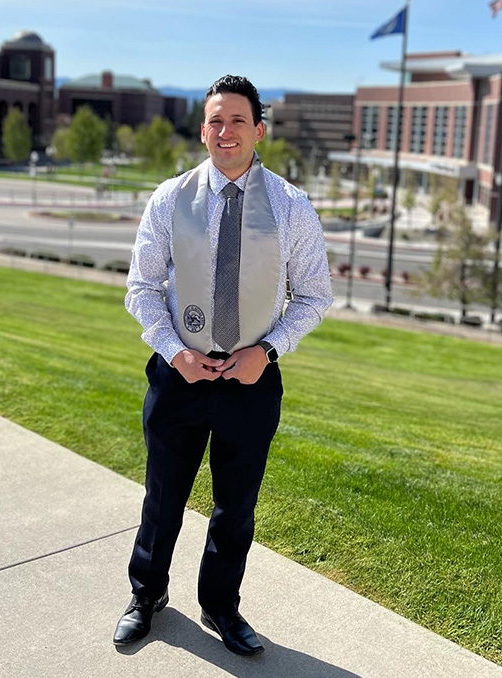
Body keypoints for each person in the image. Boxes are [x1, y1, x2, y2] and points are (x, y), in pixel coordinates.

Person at [114, 74, 333, 656]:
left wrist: (266, 352)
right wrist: (174, 351)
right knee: (163, 496)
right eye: (215, 120)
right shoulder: (169, 198)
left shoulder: (291, 207)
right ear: (203, 129)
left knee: (235, 504)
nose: (225, 131)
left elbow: (314, 296)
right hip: (179, 373)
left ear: (258, 129)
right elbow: (141, 288)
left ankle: (221, 606)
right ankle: (146, 595)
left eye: (238, 120)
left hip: (251, 382)